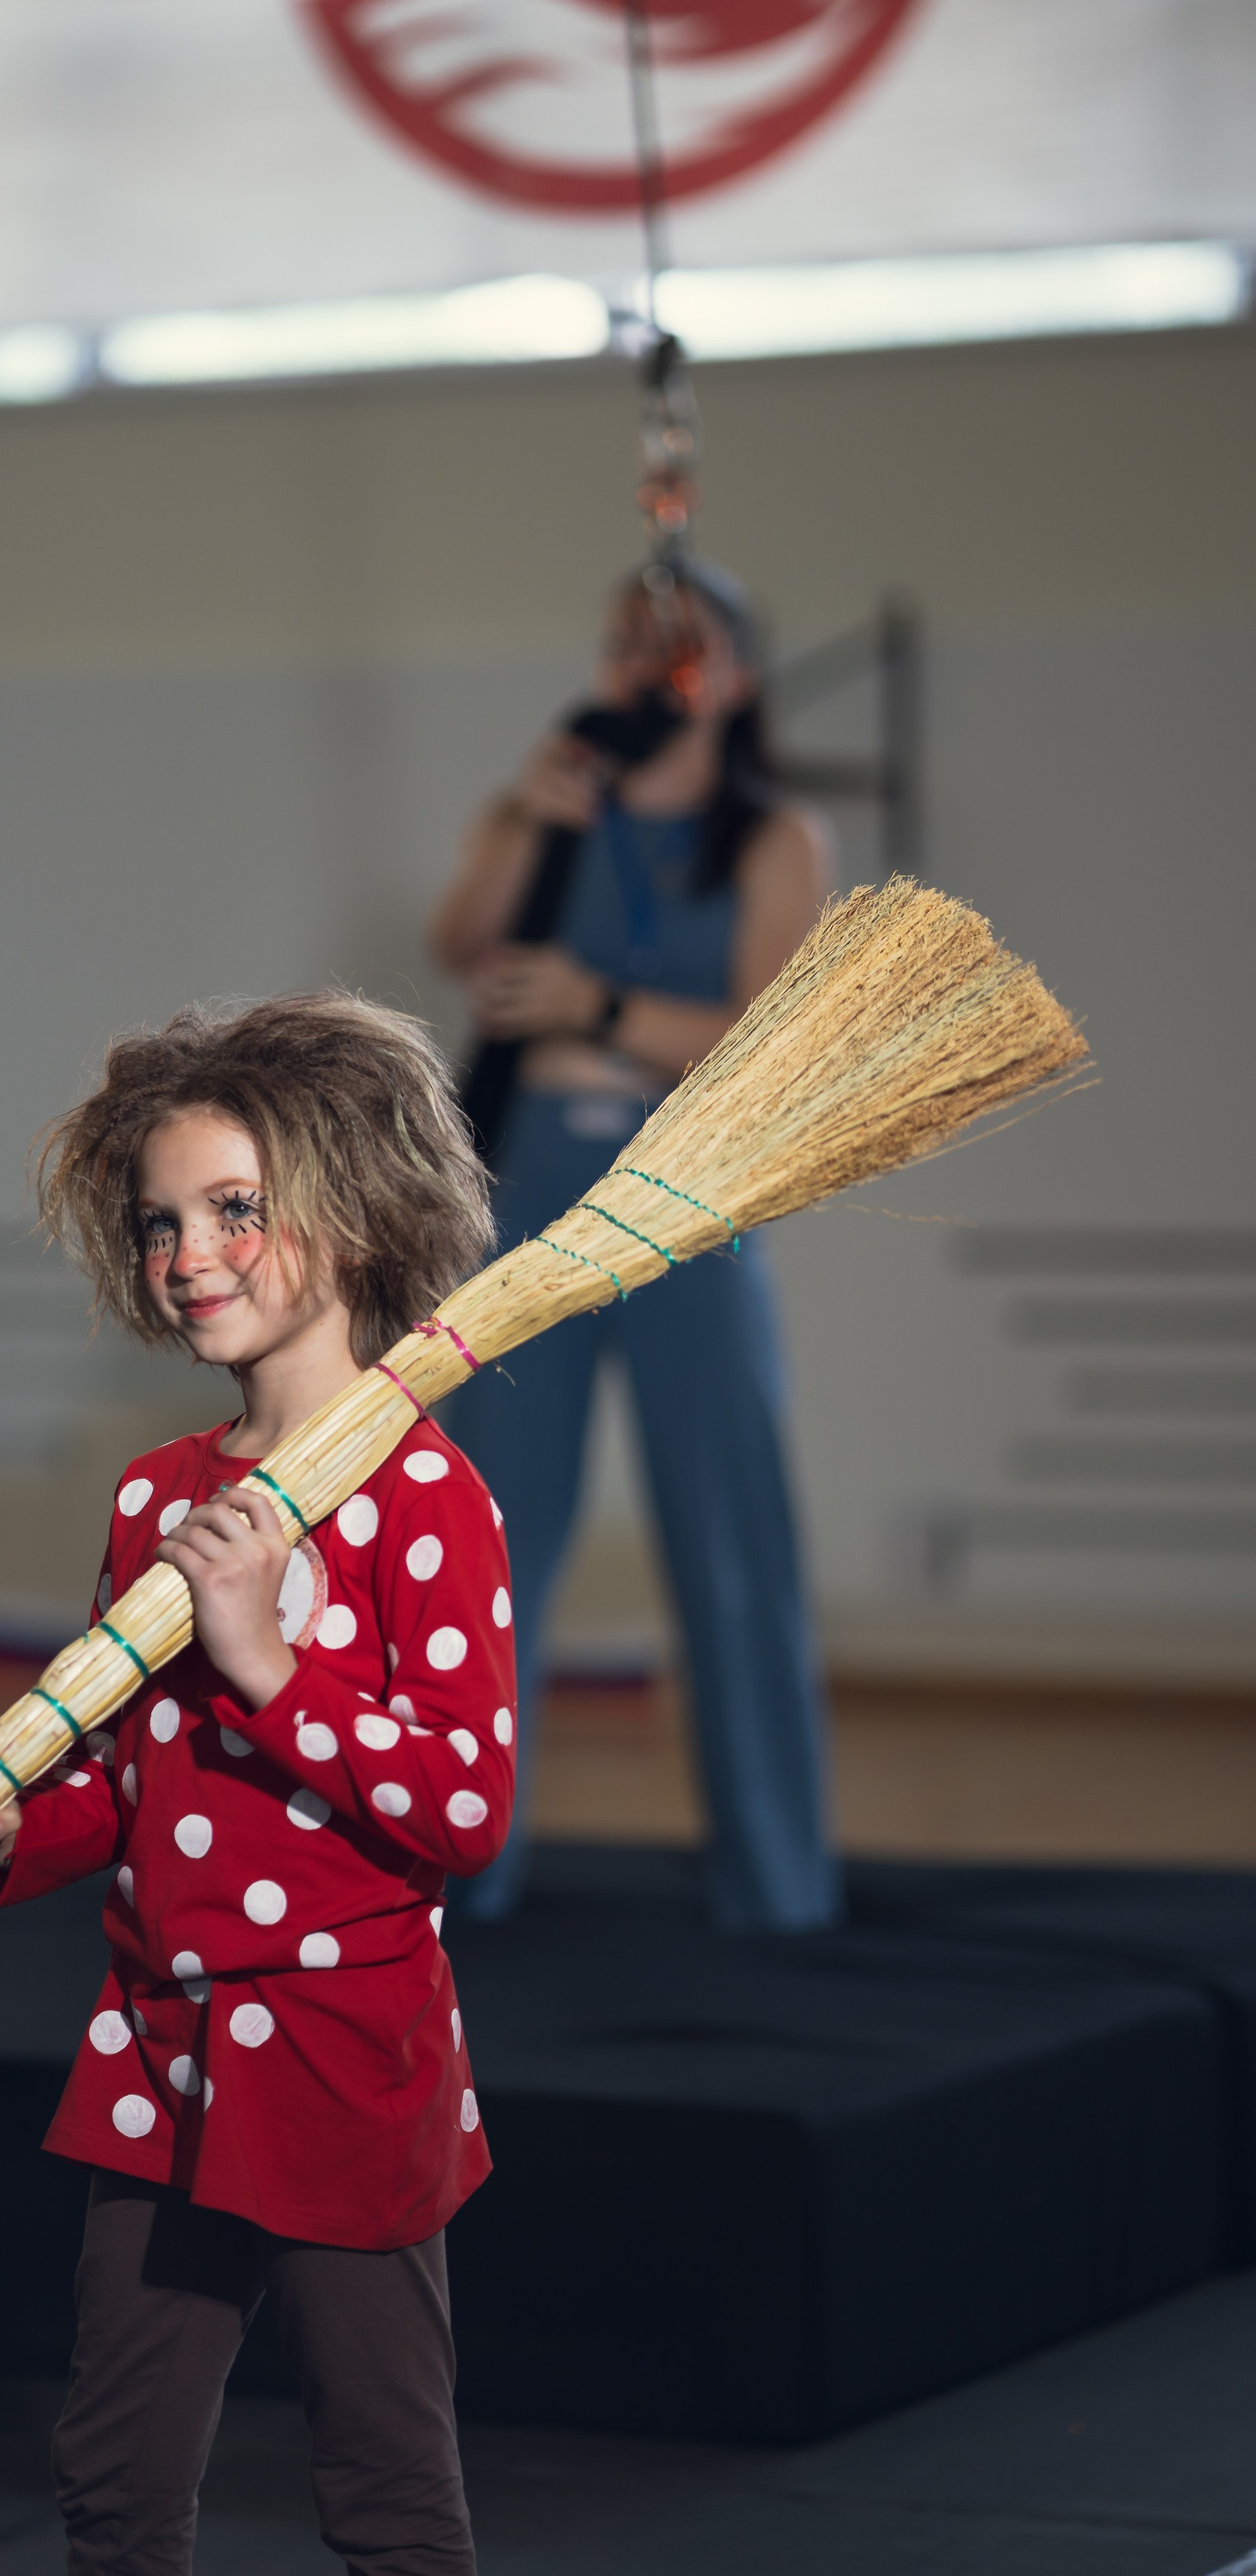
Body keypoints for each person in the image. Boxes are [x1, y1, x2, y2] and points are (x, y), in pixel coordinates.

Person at [0, 994, 512, 2576]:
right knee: (114, 2496)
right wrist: (19, 1821)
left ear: (354, 1205)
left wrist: (267, 1664)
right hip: (153, 2071)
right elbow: (131, 1790)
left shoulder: (426, 1497)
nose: (188, 1255)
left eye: (235, 1207)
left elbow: (464, 1808)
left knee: (386, 2505)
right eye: (160, 1219)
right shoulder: (160, 1492)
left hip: (341, 2073)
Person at [427, 561, 840, 1933]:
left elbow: (766, 1045)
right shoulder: (544, 804)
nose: (645, 669)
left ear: (736, 677)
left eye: (679, 650)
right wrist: (527, 826)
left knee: (734, 1547)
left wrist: (598, 1005)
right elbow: (459, 941)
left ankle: (777, 1887)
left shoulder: (777, 841)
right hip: (529, 1206)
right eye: (623, 644)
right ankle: (463, 1877)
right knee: (489, 1551)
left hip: (689, 1210)